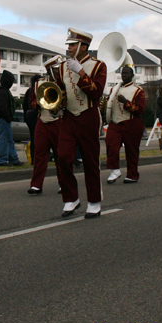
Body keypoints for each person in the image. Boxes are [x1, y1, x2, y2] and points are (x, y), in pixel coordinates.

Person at [54, 28, 107, 218]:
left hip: (88, 114)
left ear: (84, 47)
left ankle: (94, 201)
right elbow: (59, 91)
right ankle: (71, 198)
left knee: (90, 160)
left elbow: (96, 92)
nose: (69, 48)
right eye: (68, 45)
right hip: (69, 116)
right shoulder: (61, 67)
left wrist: (81, 72)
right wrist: (57, 104)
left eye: (73, 45)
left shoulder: (98, 66)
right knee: (63, 157)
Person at [28, 56, 63, 194]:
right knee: (39, 153)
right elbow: (31, 101)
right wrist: (37, 104)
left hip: (59, 121)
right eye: (55, 70)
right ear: (49, 71)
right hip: (42, 120)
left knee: (61, 155)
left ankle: (64, 183)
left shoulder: (64, 83)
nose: (58, 72)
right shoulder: (39, 84)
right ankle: (36, 185)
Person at [105, 66, 146, 184]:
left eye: (126, 73)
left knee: (132, 150)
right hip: (115, 122)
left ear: (132, 75)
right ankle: (114, 170)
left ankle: (132, 174)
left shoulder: (138, 90)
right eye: (122, 73)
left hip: (131, 123)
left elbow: (140, 109)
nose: (124, 75)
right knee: (111, 144)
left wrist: (126, 103)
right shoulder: (115, 89)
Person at [0, 70, 21, 166]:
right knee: (3, 139)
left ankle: (13, 159)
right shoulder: (3, 92)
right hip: (2, 119)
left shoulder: (1, 90)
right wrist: (8, 117)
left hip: (1, 119)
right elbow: (2, 107)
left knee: (8, 139)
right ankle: (2, 161)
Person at [23, 73, 41, 162]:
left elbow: (24, 105)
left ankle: (33, 158)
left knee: (33, 137)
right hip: (35, 114)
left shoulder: (28, 91)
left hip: (28, 114)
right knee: (38, 138)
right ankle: (37, 158)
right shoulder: (38, 90)